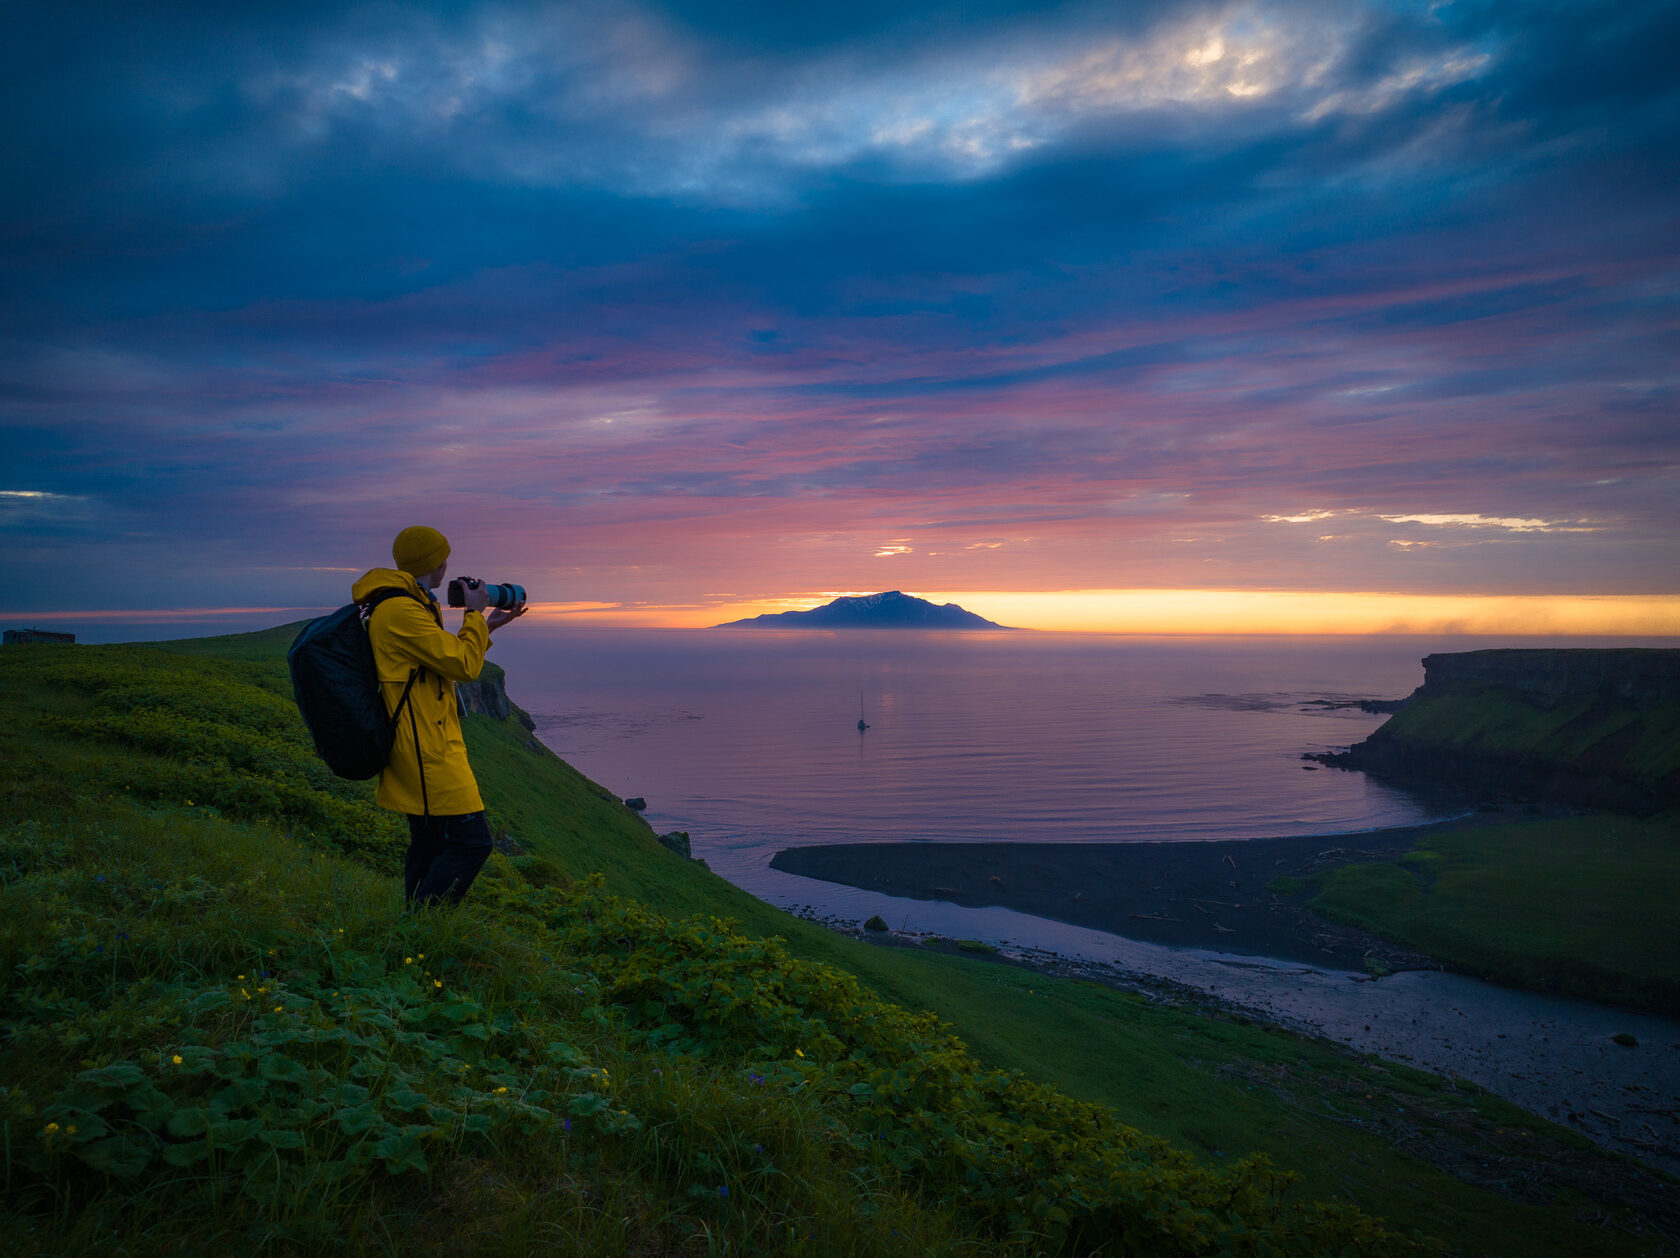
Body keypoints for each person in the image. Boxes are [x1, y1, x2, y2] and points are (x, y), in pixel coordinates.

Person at [350, 525, 526, 907]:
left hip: (425, 738)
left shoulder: (407, 602)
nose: (448, 565)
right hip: (424, 748)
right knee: (474, 843)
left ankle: (411, 927)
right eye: (444, 557)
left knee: (428, 843)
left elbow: (439, 661)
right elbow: (462, 665)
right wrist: (475, 615)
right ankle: (424, 924)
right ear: (436, 562)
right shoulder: (400, 609)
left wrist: (487, 626)